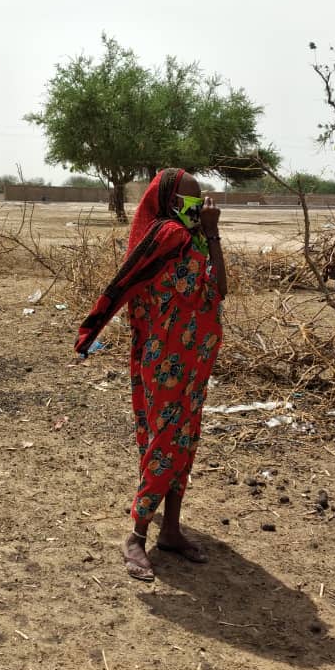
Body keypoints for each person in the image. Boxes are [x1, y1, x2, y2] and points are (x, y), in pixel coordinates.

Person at [75, 168, 227, 581]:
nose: (199, 207)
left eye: (201, 200)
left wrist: (211, 234)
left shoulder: (195, 237)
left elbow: (219, 290)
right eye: (192, 201)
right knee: (164, 443)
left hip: (194, 361)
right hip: (166, 363)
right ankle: (136, 536)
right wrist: (90, 332)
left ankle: (171, 530)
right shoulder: (166, 236)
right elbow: (124, 283)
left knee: (185, 441)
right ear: (171, 202)